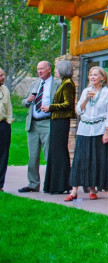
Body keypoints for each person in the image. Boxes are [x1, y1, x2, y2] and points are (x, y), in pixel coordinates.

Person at [67, 66, 108, 201]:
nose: (92, 77)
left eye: (95, 75)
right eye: (91, 75)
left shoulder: (107, 93)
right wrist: (86, 99)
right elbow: (78, 111)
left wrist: (107, 132)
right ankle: (74, 190)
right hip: (84, 130)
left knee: (95, 159)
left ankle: (93, 189)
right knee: (80, 159)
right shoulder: (86, 91)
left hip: (99, 130)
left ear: (102, 78)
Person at [19, 61, 60, 193]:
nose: (39, 71)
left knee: (49, 154)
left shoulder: (57, 84)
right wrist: (28, 100)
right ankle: (33, 184)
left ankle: (50, 183)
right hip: (33, 123)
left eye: (42, 69)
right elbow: (24, 102)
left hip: (47, 122)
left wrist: (51, 108)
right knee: (33, 156)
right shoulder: (34, 84)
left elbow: (62, 104)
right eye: (38, 69)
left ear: (49, 69)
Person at [42, 60, 77, 194]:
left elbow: (68, 104)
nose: (55, 71)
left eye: (57, 69)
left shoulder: (68, 84)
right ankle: (54, 184)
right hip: (57, 120)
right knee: (55, 152)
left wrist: (50, 107)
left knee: (59, 151)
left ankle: (61, 184)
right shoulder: (64, 83)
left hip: (61, 120)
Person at [0, 68, 13, 192]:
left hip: (3, 125)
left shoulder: (5, 90)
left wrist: (8, 123)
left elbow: (9, 108)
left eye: (3, 74)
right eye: (0, 75)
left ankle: (0, 185)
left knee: (3, 155)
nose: (3, 77)